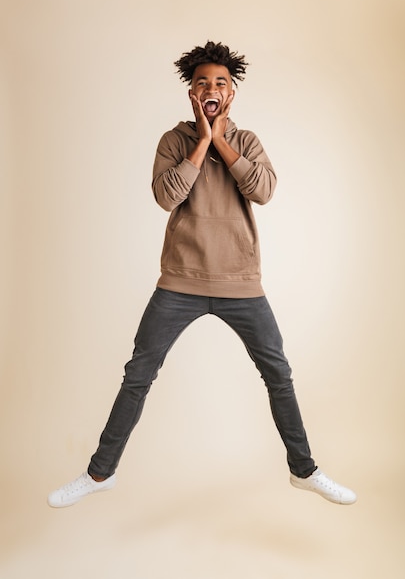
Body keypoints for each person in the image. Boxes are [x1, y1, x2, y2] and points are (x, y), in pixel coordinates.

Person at [48, 41, 356, 508]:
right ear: (190, 92)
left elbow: (264, 190)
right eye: (202, 83)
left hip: (239, 281)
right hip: (180, 281)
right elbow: (167, 197)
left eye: (221, 83)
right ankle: (99, 473)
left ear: (232, 92)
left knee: (278, 374)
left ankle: (304, 470)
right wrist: (201, 142)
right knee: (138, 375)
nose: (211, 88)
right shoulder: (173, 141)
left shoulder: (248, 141)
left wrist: (222, 141)